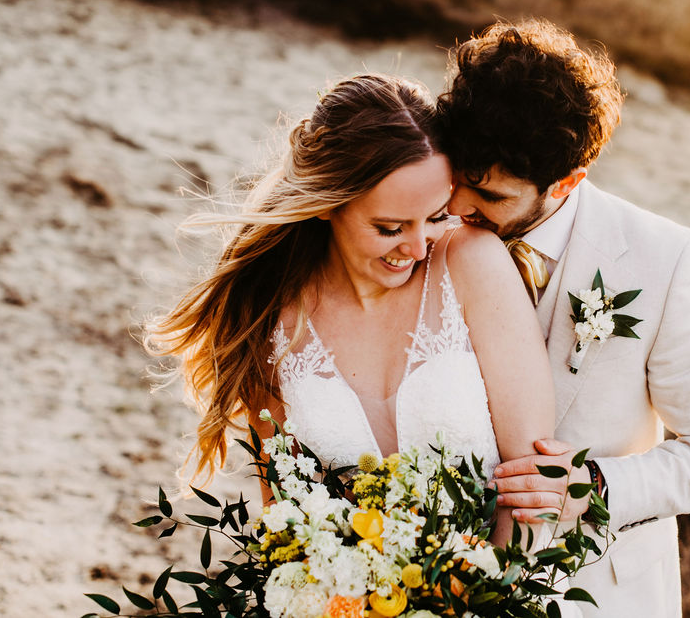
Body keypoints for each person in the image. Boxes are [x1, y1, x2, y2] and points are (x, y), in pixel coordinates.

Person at [437, 20, 690, 616]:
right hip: (429, 577)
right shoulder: (422, 225)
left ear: (567, 181)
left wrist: (594, 489)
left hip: (599, 594)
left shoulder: (662, 261)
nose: (459, 208)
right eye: (459, 181)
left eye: (491, 198)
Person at [145, 74, 557, 550]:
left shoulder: (472, 263)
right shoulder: (269, 321)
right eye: (389, 227)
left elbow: (531, 484)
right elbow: (288, 521)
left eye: (435, 216)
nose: (419, 247)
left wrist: (493, 596)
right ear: (327, 205)